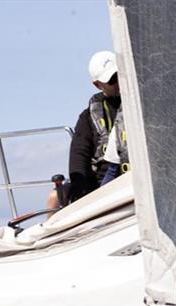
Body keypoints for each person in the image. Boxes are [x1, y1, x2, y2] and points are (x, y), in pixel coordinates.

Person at [47, 50, 122, 208]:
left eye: (120, 75)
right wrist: (80, 187)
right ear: (98, 84)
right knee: (55, 198)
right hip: (103, 182)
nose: (118, 83)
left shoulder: (143, 103)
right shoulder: (87, 118)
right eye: (112, 79)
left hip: (133, 176)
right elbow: (79, 154)